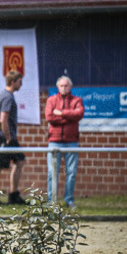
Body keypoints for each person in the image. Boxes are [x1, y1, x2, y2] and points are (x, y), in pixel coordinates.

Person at [46, 75, 84, 208]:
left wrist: (61, 113)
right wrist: (69, 117)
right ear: (57, 87)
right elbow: (50, 117)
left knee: (71, 172)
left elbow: (79, 114)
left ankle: (69, 200)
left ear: (70, 87)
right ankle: (51, 201)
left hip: (72, 141)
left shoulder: (77, 100)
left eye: (66, 85)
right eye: (61, 86)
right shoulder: (51, 100)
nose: (63, 88)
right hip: (54, 141)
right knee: (52, 173)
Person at [0, 70, 27, 205]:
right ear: (13, 82)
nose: (21, 84)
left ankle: (13, 194)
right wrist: (8, 137)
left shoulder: (6, 95)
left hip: (7, 136)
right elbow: (3, 119)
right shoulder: (7, 97)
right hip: (6, 137)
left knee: (19, 161)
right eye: (20, 81)